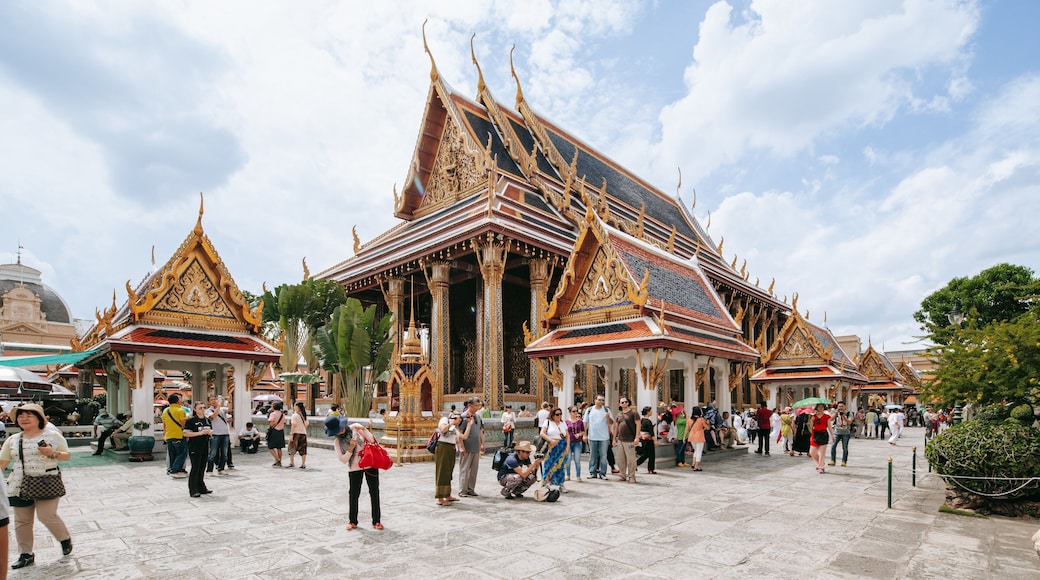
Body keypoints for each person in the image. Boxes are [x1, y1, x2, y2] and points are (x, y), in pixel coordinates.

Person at [0, 404, 73, 569]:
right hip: (19, 484)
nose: (24, 418)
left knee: (46, 515)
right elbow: (3, 462)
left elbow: (66, 456)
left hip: (46, 483)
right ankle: (25, 554)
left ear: (39, 418)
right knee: (22, 521)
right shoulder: (13, 439)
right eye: (20, 416)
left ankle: (64, 538)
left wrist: (52, 453)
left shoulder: (52, 436)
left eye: (28, 415)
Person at [327, 416, 382, 530]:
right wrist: (351, 448)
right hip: (354, 467)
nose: (340, 431)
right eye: (337, 430)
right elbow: (343, 459)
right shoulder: (337, 442)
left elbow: (372, 440)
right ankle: (353, 521)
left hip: (370, 463)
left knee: (374, 491)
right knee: (353, 494)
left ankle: (376, 520)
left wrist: (364, 429)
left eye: (340, 428)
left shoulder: (355, 429)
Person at [184, 402, 214, 497]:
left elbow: (211, 430)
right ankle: (193, 489)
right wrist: (200, 433)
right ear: (195, 409)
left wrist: (210, 432)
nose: (202, 409)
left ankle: (201, 487)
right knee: (195, 468)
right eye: (200, 408)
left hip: (205, 446)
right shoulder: (191, 420)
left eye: (204, 407)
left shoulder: (207, 420)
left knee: (202, 468)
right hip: (195, 446)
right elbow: (185, 434)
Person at [457, 397, 484, 497]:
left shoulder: (477, 417)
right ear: (469, 405)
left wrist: (482, 444)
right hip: (467, 447)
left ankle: (471, 488)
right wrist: (461, 446)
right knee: (464, 468)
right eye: (476, 406)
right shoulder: (464, 417)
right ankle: (462, 490)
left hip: (476, 446)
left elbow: (481, 431)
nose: (477, 408)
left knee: (474, 470)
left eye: (478, 406)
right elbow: (459, 432)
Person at [434, 412, 462, 506]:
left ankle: (447, 494)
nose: (459, 420)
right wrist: (452, 422)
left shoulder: (455, 426)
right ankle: (440, 498)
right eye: (457, 418)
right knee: (442, 472)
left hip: (451, 448)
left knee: (448, 472)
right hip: (443, 447)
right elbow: (443, 429)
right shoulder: (445, 420)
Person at [583, 395, 613, 479]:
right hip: (592, 436)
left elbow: (611, 422)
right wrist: (584, 434)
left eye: (602, 400)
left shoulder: (606, 410)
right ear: (595, 400)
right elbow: (585, 423)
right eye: (599, 400)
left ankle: (603, 473)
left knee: (603, 456)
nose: (601, 402)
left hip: (604, 437)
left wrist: (608, 418)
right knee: (593, 455)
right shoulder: (589, 410)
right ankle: (592, 472)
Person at [540, 406, 568, 490]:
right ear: (552, 415)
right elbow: (542, 433)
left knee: (561, 466)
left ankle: (561, 483)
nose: (559, 416)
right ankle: (547, 482)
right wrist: (550, 440)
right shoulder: (548, 422)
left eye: (560, 414)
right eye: (557, 414)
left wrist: (568, 446)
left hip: (562, 446)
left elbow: (567, 435)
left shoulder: (563, 423)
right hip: (551, 446)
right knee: (549, 464)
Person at [162, 394, 189, 478]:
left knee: (172, 454)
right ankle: (175, 470)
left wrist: (165, 434)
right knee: (181, 454)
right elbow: (184, 424)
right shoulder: (181, 411)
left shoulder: (165, 411)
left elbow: (164, 425)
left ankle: (172, 469)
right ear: (177, 401)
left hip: (169, 435)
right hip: (179, 435)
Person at [614, 397, 639, 483]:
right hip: (620, 439)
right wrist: (614, 439)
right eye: (622, 402)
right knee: (620, 459)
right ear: (620, 404)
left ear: (628, 403)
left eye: (625, 402)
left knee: (631, 459)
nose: (624, 403)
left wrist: (637, 437)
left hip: (630, 440)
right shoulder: (619, 415)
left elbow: (638, 425)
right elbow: (616, 427)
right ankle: (622, 474)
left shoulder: (634, 413)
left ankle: (631, 476)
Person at [205, 396, 231, 476]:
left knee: (224, 453)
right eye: (211, 400)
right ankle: (209, 470)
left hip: (225, 433)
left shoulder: (222, 409)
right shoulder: (208, 411)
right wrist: (219, 406)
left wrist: (229, 401)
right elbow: (213, 416)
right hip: (215, 434)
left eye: (215, 399)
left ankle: (221, 468)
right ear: (209, 402)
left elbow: (229, 409)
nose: (214, 401)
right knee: (213, 453)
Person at [684, 407, 709, 471]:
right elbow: (708, 428)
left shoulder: (689, 419)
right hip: (699, 436)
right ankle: (696, 466)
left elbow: (687, 429)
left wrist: (684, 437)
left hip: (691, 436)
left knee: (695, 450)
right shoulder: (701, 419)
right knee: (699, 452)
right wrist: (708, 423)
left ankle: (693, 463)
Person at [809, 404, 832, 473]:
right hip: (815, 434)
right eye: (819, 407)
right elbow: (811, 427)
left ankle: (821, 466)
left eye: (822, 407)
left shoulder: (827, 417)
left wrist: (832, 435)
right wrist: (811, 419)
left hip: (824, 434)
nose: (821, 408)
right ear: (817, 408)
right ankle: (820, 463)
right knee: (812, 452)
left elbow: (829, 426)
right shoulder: (813, 417)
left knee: (822, 453)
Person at [565, 406, 586, 481]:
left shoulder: (580, 422)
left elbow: (583, 431)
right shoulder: (566, 422)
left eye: (576, 411)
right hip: (569, 442)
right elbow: (565, 432)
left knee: (577, 460)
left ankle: (578, 475)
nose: (575, 413)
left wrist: (579, 434)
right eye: (573, 411)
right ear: (570, 412)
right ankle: (568, 475)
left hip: (577, 443)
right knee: (568, 459)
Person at [829, 402, 852, 467]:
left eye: (842, 406)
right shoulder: (836, 413)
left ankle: (844, 461)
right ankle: (832, 460)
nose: (840, 408)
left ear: (845, 407)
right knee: (833, 446)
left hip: (846, 433)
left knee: (845, 447)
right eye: (839, 406)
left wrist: (843, 416)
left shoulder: (848, 413)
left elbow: (849, 422)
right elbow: (831, 419)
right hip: (837, 432)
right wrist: (836, 413)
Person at [635, 406, 657, 474]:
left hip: (643, 439)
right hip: (648, 440)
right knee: (651, 455)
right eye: (650, 411)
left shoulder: (642, 420)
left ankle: (636, 464)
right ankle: (650, 469)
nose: (652, 412)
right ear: (648, 412)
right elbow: (651, 432)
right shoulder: (648, 421)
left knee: (645, 454)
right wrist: (655, 440)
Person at [287, 402, 309, 469]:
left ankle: (292, 462)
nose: (294, 407)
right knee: (303, 449)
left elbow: (293, 425)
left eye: (294, 406)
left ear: (297, 407)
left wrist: (291, 434)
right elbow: (307, 424)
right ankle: (303, 463)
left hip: (296, 433)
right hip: (303, 433)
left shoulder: (295, 415)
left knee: (291, 448)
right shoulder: (304, 415)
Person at [267, 402, 287, 467]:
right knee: (279, 448)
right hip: (281, 431)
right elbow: (284, 422)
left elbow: (271, 424)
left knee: (270, 447)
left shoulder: (272, 414)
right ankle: (279, 462)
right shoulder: (282, 414)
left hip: (274, 431)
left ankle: (277, 459)